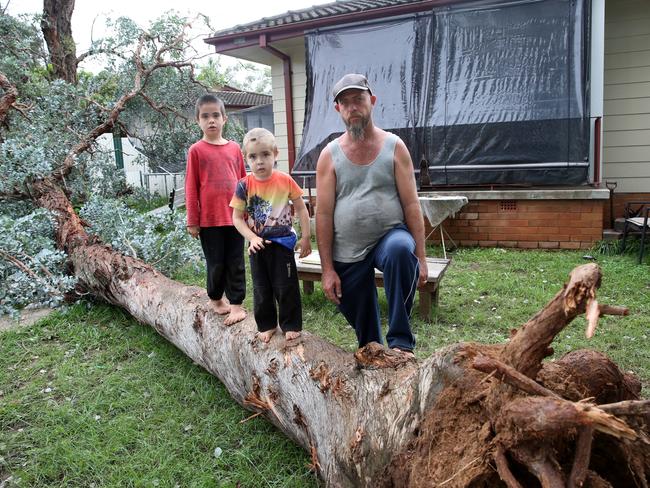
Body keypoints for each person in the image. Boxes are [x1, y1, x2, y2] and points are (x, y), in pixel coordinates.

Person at [315, 73, 428, 357]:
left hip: (390, 235)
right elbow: (324, 214)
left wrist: (422, 258)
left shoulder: (394, 146)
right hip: (348, 251)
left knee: (401, 250)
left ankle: (402, 343)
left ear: (372, 101)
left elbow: (412, 205)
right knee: (366, 337)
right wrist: (327, 269)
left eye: (359, 99)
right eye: (345, 102)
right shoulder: (329, 155)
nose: (352, 107)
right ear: (338, 109)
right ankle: (375, 352)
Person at [230, 128, 312, 343]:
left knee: (287, 286)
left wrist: (305, 237)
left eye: (265, 154)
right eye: (253, 156)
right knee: (261, 287)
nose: (260, 161)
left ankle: (291, 324)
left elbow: (302, 209)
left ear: (275, 154)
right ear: (246, 158)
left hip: (283, 244)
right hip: (258, 246)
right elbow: (237, 218)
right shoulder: (243, 185)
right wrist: (252, 238)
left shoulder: (285, 181)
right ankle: (266, 324)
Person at [185, 93, 247, 325]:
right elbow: (191, 187)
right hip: (210, 221)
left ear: (224, 119)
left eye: (215, 115)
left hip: (235, 218)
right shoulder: (196, 151)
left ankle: (237, 304)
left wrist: (248, 212)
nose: (211, 120)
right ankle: (215, 298)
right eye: (205, 116)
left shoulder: (234, 149)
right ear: (198, 121)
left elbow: (243, 182)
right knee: (216, 262)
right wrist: (193, 219)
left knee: (236, 262)